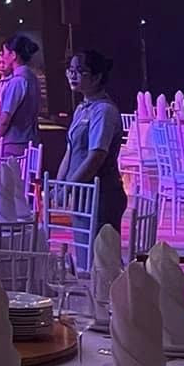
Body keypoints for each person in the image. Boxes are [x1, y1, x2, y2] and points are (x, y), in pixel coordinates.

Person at [58, 48, 127, 233]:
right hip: (83, 193)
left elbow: (96, 157)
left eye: (80, 71)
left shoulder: (104, 111)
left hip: (101, 194)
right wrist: (60, 184)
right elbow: (70, 151)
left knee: (101, 248)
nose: (73, 76)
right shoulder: (82, 108)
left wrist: (69, 186)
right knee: (83, 247)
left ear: (96, 77)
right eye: (70, 70)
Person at [0, 34, 43, 160]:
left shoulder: (17, 81)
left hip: (14, 144)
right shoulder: (33, 78)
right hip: (31, 139)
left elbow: (5, 119)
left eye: (4, 52)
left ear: (13, 55)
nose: (2, 55)